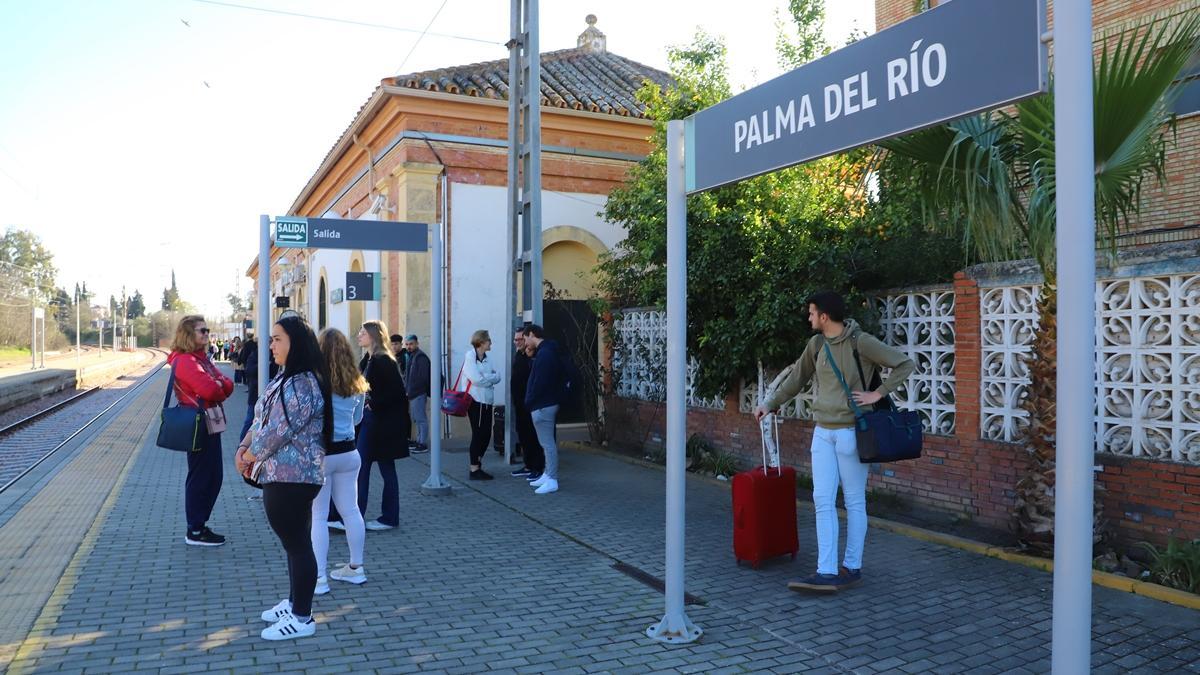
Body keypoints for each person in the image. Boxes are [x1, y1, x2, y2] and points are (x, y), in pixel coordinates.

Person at [754, 291, 915, 594]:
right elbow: (796, 379)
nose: (809, 317)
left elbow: (905, 364)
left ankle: (851, 567)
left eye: (812, 312)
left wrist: (876, 395)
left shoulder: (860, 342)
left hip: (853, 433)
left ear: (825, 316)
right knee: (822, 499)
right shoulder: (816, 345)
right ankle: (826, 571)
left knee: (854, 500)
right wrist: (770, 403)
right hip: (823, 432)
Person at [235, 315, 331, 641]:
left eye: (277, 339)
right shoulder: (283, 378)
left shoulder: (303, 383)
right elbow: (261, 420)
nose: (271, 345)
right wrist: (243, 446)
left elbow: (276, 432)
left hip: (295, 477)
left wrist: (247, 457)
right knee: (294, 545)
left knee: (299, 546)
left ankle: (302, 618)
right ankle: (294, 604)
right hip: (281, 475)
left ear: (296, 344)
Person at [168, 315, 235, 545]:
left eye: (207, 330)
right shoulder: (187, 361)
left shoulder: (201, 359)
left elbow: (227, 384)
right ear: (189, 335)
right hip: (198, 423)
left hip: (209, 421)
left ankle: (199, 524)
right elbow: (211, 390)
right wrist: (218, 384)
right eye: (201, 331)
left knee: (213, 475)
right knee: (201, 476)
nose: (206, 334)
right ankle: (195, 529)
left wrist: (219, 384)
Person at [312, 328, 368, 594]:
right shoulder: (356, 381)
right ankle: (356, 569)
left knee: (318, 516)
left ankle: (320, 578)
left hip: (322, 454)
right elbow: (357, 421)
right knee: (351, 510)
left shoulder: (314, 380)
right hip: (349, 452)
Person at [355, 320, 409, 530]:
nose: (359, 335)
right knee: (370, 468)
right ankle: (364, 515)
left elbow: (395, 394)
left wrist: (372, 403)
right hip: (375, 423)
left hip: (381, 425)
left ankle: (380, 517)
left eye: (363, 332)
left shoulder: (382, 360)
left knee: (369, 468)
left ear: (373, 336)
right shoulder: (370, 359)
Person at [523, 325, 568, 495]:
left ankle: (552, 479)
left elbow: (539, 382)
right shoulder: (547, 351)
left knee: (547, 444)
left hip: (543, 404)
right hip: (545, 403)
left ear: (532, 334)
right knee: (545, 443)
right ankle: (547, 475)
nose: (525, 343)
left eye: (526, 338)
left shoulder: (545, 354)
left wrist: (530, 400)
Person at [457, 329, 501, 480]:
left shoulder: (487, 359)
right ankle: (474, 469)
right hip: (476, 402)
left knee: (487, 434)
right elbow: (476, 379)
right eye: (488, 340)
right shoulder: (470, 356)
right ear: (481, 342)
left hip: (487, 401)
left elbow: (498, 376)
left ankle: (478, 463)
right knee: (478, 434)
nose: (491, 343)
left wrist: (486, 377)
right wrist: (489, 378)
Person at [509, 327, 544, 481]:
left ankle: (538, 467)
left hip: (530, 402)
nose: (516, 342)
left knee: (533, 436)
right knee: (523, 435)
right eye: (515, 339)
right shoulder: (519, 354)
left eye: (519, 339)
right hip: (519, 403)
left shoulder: (534, 356)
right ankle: (528, 465)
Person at [403, 334, 431, 454]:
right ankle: (419, 440)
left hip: (418, 393)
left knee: (421, 419)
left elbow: (423, 378)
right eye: (407, 344)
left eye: (411, 344)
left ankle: (422, 443)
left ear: (417, 344)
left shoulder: (421, 357)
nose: (409, 346)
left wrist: (412, 390)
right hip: (413, 393)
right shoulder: (412, 356)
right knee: (417, 419)